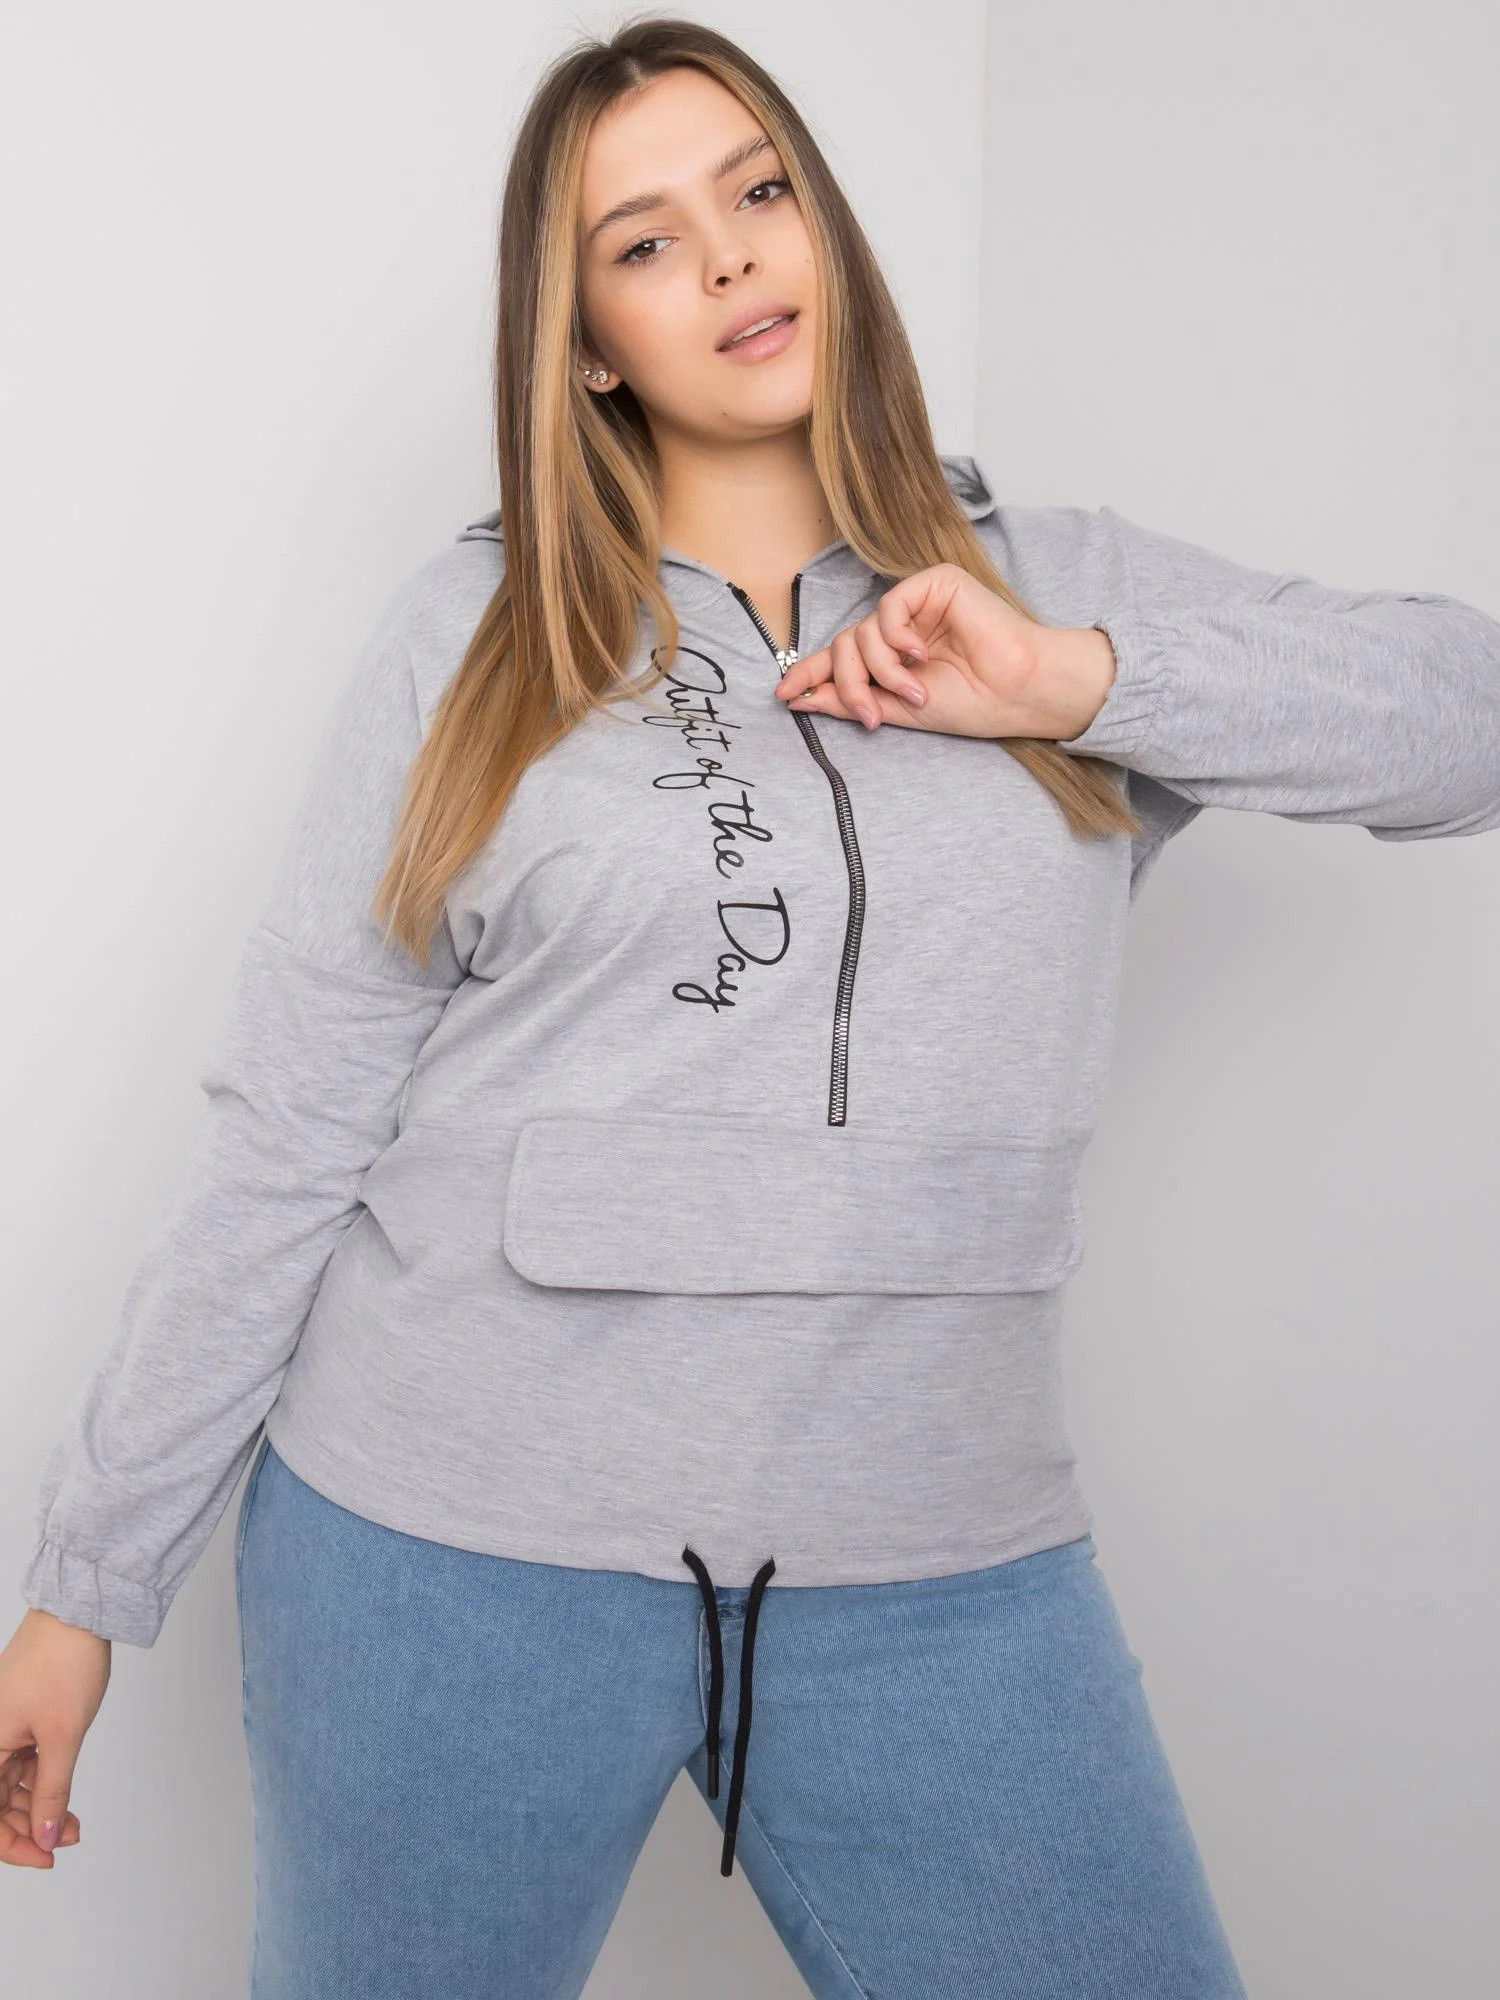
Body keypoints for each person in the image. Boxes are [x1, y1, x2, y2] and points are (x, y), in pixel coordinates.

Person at [4, 14, 1498, 1996]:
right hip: (448, 1558)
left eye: (760, 190)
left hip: (940, 1564)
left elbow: (1466, 716)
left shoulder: (1050, 586)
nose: (726, 258)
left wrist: (1069, 680)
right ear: (587, 343)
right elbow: (292, 1126)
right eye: (644, 241)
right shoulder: (473, 635)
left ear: (825, 225)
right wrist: (86, 1587)